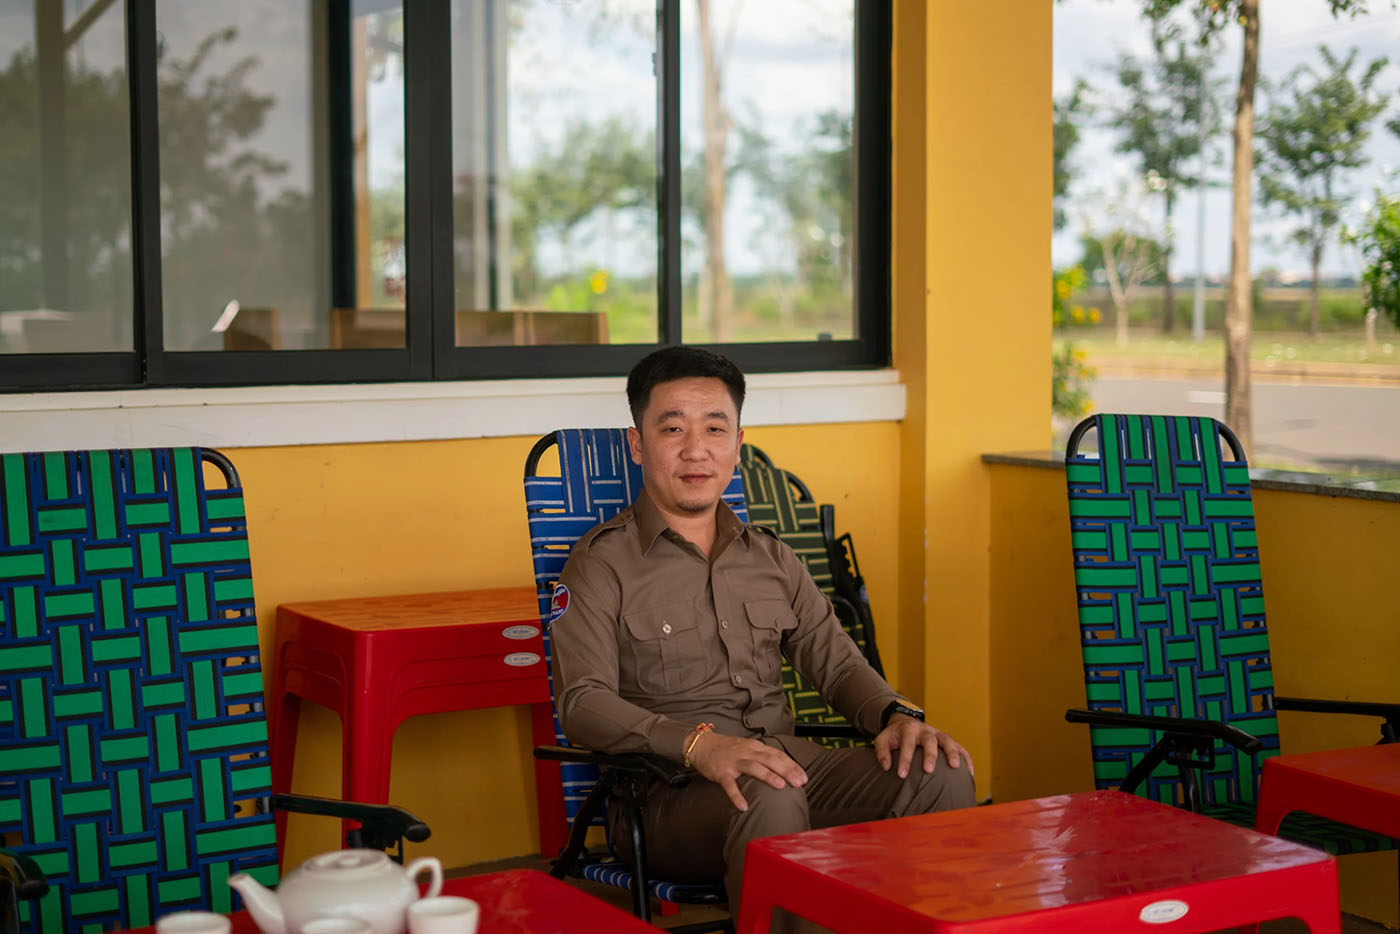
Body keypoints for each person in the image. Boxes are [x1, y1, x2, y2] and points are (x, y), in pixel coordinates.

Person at [549, 346, 975, 932]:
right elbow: (582, 702)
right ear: (638, 445)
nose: (696, 449)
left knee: (938, 768)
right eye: (672, 428)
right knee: (765, 790)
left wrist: (895, 716)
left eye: (714, 428)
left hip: (790, 768)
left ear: (737, 443)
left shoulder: (771, 556)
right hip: (667, 793)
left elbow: (838, 666)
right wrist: (699, 746)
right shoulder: (600, 564)